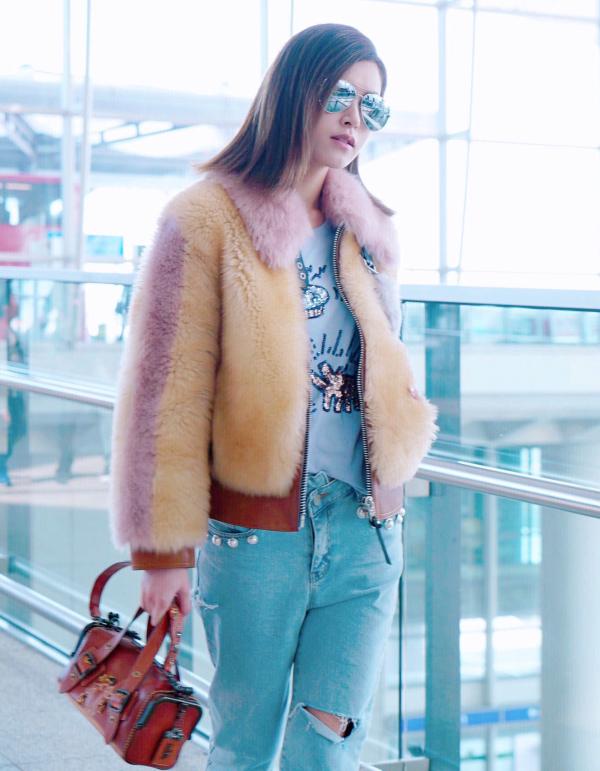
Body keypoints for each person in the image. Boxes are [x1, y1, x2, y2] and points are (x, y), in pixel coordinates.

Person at [109, 22, 439, 770]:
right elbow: (165, 394)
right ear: (295, 90)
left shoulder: (370, 231)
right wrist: (163, 553)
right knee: (246, 745)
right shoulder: (204, 220)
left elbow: (385, 366)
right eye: (341, 95)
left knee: (329, 745)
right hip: (256, 536)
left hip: (366, 527)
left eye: (374, 106)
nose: (356, 118)